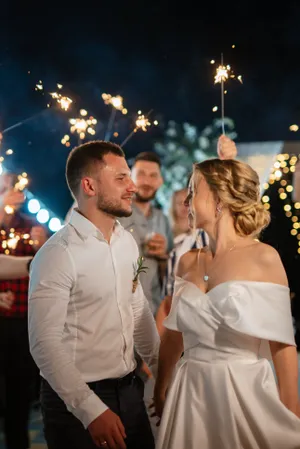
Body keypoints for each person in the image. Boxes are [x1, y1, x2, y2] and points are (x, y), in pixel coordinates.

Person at [154, 158, 300, 449]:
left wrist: (291, 414)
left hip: (243, 390)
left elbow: (282, 346)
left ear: (219, 198)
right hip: (190, 391)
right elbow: (176, 332)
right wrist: (160, 388)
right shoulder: (186, 262)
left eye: (194, 191)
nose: (187, 201)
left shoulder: (264, 258)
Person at [28, 140, 160, 449]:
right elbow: (43, 343)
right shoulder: (58, 254)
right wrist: (90, 409)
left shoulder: (127, 242)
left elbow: (138, 311)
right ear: (89, 185)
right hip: (76, 401)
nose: (132, 187)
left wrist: (164, 373)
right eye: (121, 178)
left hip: (130, 390)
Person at [156, 135, 237, 336]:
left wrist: (229, 164)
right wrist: (155, 365)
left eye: (192, 194)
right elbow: (169, 307)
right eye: (183, 199)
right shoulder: (180, 252)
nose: (186, 204)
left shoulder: (253, 253)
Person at [0, 172, 48, 449]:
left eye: (12, 186)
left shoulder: (33, 227)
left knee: (20, 395)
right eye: (4, 186)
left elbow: (49, 274)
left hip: (23, 323)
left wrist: (43, 247)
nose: (10, 191)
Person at [119, 151, 173, 315]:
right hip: (119, 312)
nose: (147, 181)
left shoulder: (162, 219)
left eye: (153, 175)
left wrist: (163, 256)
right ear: (129, 177)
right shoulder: (116, 212)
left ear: (160, 181)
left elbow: (169, 271)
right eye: (141, 174)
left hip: (153, 311)